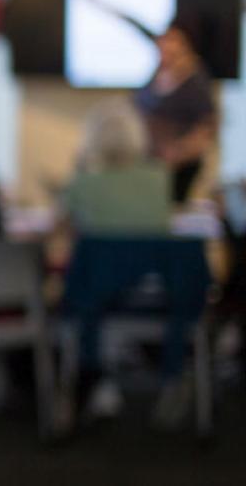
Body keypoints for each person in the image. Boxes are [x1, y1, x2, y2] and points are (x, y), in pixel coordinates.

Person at [57, 100, 209, 430]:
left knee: (84, 285)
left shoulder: (84, 183)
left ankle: (94, 381)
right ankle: (168, 380)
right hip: (158, 299)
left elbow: (61, 230)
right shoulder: (159, 179)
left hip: (100, 301)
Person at [132, 23, 217, 203]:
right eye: (163, 40)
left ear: (185, 45)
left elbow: (206, 129)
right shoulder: (157, 73)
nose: (165, 46)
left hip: (178, 167)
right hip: (148, 162)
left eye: (172, 41)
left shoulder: (196, 82)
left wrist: (177, 154)